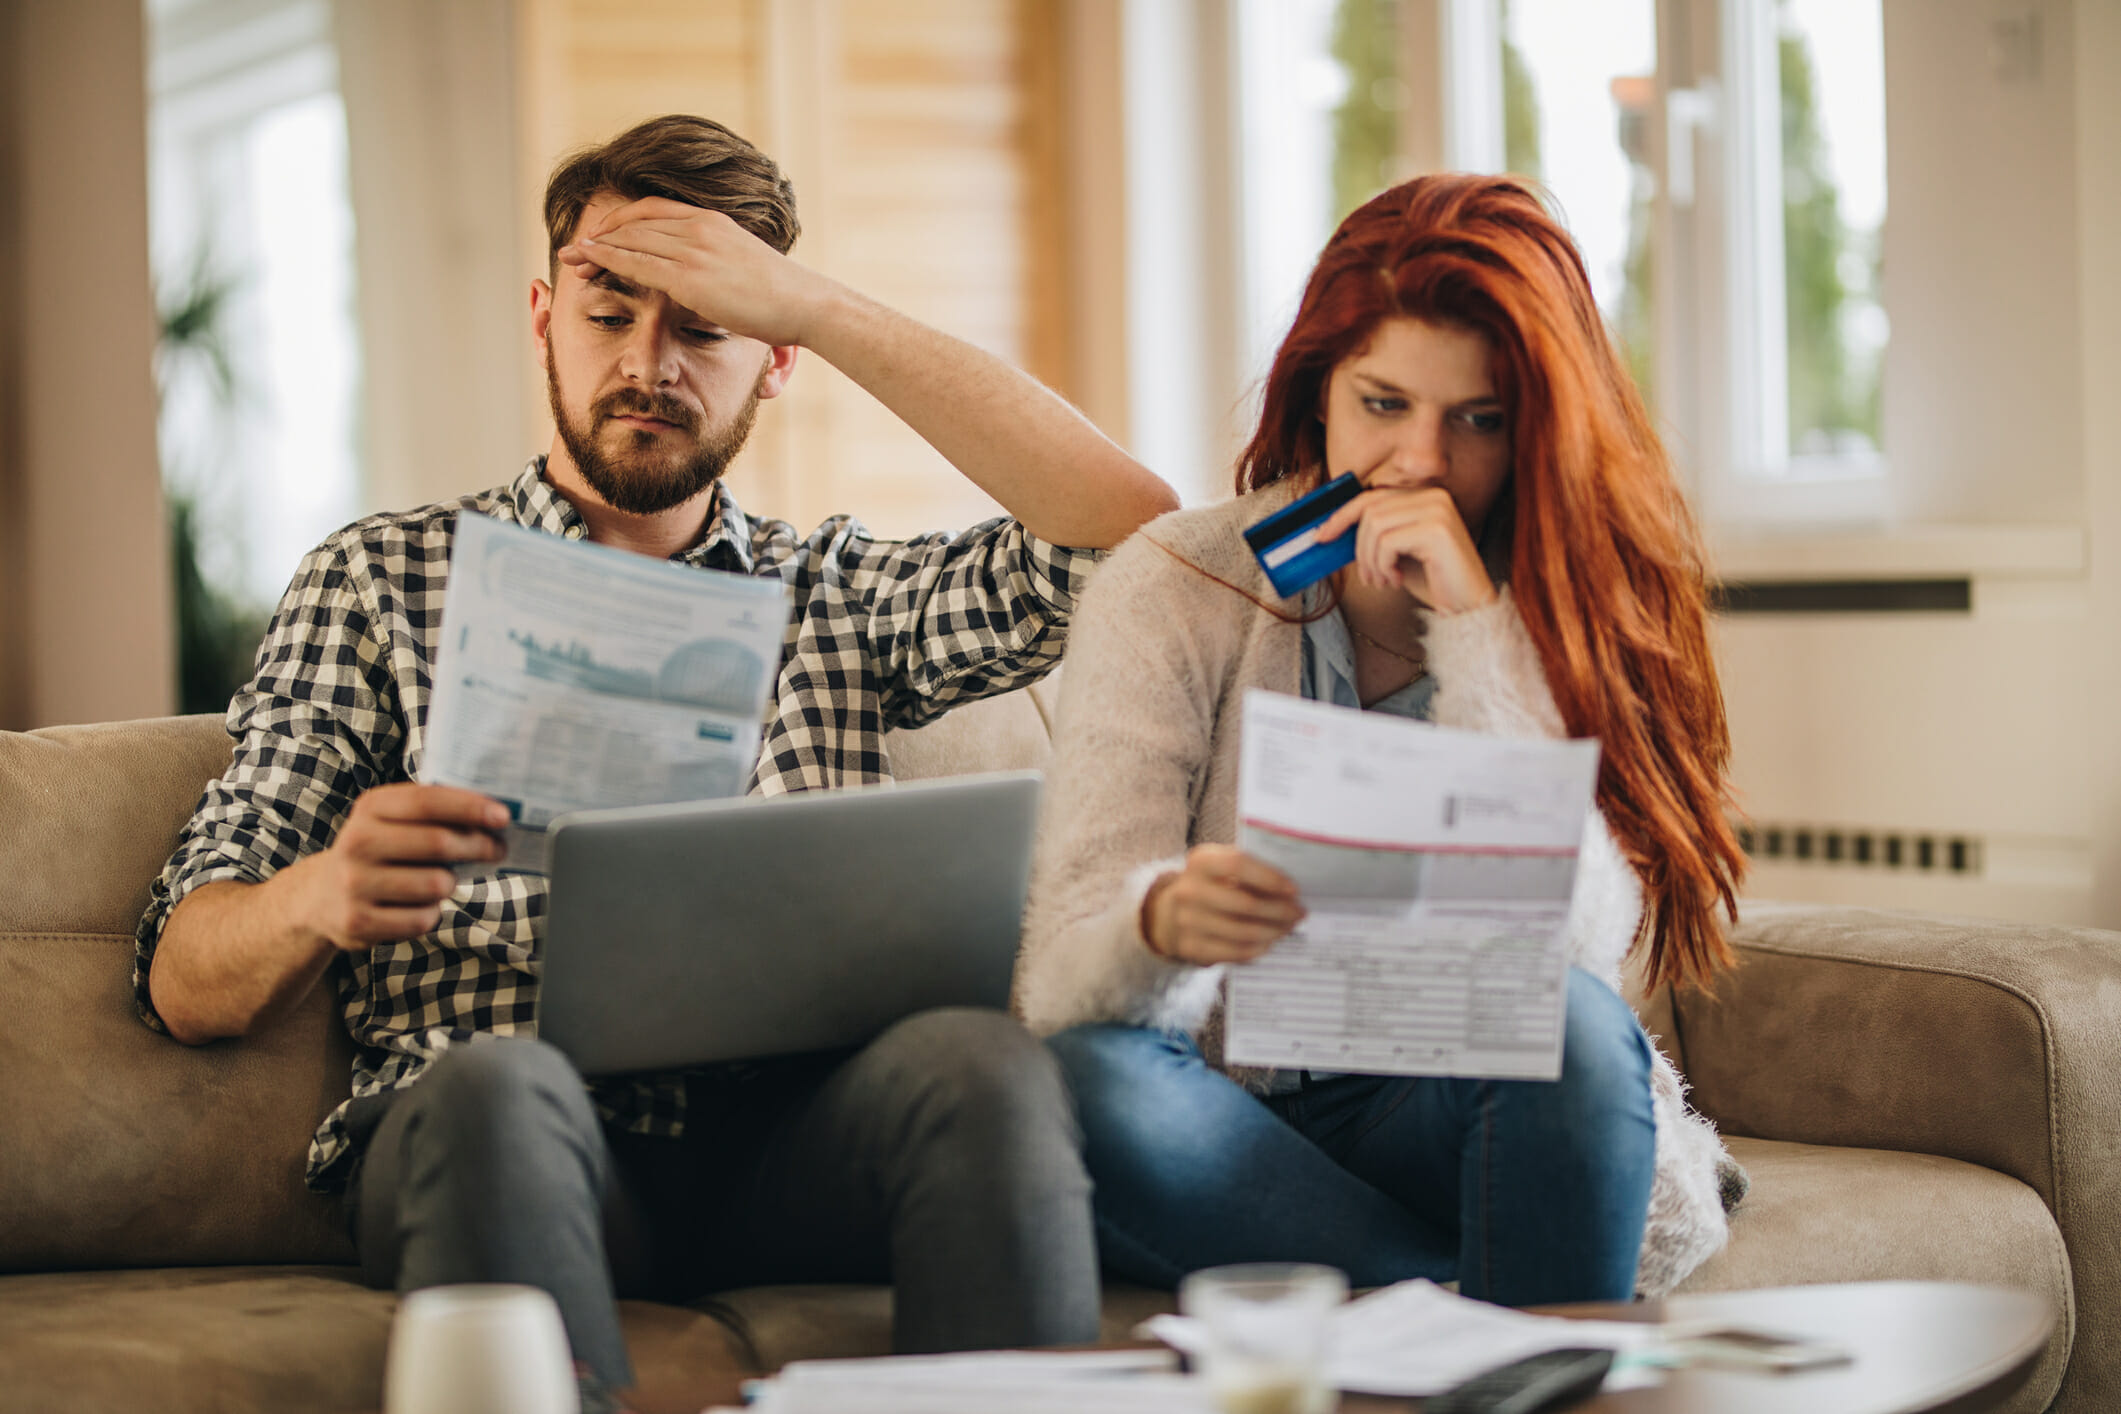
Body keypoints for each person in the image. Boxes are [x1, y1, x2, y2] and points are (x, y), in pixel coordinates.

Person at [134, 114, 1177, 1409]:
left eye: (703, 325)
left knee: (978, 1063)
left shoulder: (836, 590)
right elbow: (188, 976)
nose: (648, 361)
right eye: (609, 310)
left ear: (775, 365)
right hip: (498, 1124)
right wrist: (319, 892)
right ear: (542, 315)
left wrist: (824, 306)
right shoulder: (380, 578)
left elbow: (1134, 539)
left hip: (786, 1144)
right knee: (497, 1088)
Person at [1015, 173, 1747, 1307]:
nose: (1421, 463)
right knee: (1077, 1083)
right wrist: (1159, 924)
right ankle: (1473, 1313)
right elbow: (1060, 981)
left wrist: (1479, 632)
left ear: (1537, 429)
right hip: (1225, 1107)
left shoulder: (1563, 604)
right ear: (1319, 398)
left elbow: (1575, 955)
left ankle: (1451, 1315)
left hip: (1444, 1096)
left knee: (1578, 1031)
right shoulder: (1172, 586)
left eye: (1479, 421)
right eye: (1384, 404)